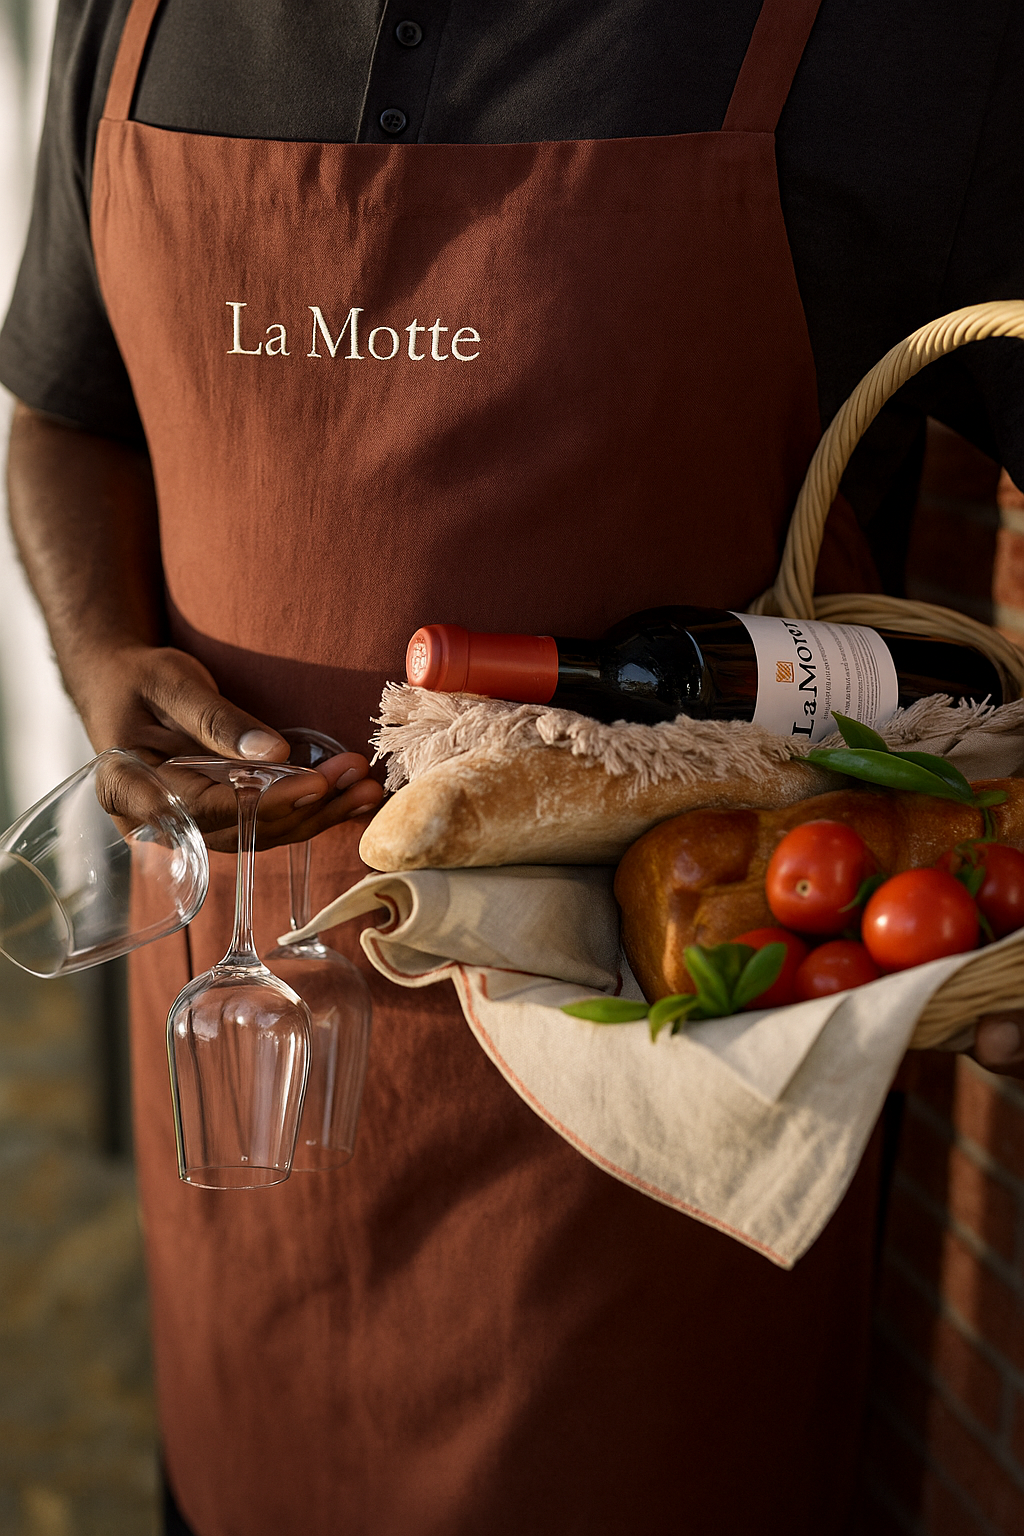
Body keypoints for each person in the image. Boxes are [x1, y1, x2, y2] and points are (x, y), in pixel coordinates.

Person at [4, 3, 1024, 1532]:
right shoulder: (134, 17)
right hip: (240, 1062)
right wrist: (100, 660)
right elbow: (62, 414)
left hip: (654, 1116)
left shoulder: (908, 40)